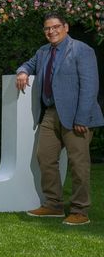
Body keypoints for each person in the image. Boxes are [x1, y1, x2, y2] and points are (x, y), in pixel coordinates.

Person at [16, 11, 104, 226]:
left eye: (55, 27)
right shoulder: (44, 51)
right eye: (47, 28)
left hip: (77, 116)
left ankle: (80, 210)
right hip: (51, 114)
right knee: (45, 157)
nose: (51, 31)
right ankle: (53, 205)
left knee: (78, 164)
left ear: (66, 27)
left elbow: (90, 86)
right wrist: (22, 72)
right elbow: (29, 64)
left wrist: (82, 117)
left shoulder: (82, 50)